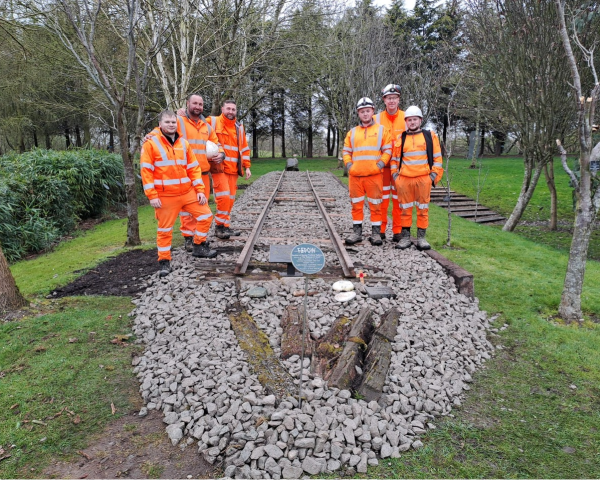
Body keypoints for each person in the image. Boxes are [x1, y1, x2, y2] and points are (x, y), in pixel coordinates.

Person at [140, 110, 217, 278]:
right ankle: (164, 261)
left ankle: (198, 245)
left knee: (205, 216)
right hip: (165, 197)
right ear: (160, 124)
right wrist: (152, 196)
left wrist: (199, 191)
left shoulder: (184, 143)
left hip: (188, 193)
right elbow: (146, 171)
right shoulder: (150, 144)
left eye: (173, 122)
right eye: (167, 122)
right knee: (165, 230)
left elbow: (193, 168)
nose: (171, 125)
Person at [147, 94, 227, 250]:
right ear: (187, 104)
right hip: (184, 175)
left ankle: (199, 239)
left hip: (202, 174)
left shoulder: (207, 127)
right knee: (187, 211)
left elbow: (217, 144)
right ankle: (188, 238)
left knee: (201, 209)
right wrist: (151, 135)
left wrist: (221, 154)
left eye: (200, 104)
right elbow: (162, 128)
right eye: (194, 103)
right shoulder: (179, 121)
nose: (197, 107)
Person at [390, 106, 443, 251]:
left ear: (420, 120)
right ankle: (405, 238)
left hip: (423, 179)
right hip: (404, 180)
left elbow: (438, 158)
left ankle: (421, 238)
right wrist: (396, 177)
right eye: (409, 120)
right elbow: (394, 159)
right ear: (406, 121)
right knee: (405, 210)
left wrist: (432, 177)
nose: (412, 122)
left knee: (423, 209)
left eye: (414, 119)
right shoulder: (401, 138)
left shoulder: (429, 136)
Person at [342, 97, 393, 246]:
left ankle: (376, 234)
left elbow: (388, 150)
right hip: (355, 176)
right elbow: (346, 151)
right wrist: (349, 166)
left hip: (374, 175)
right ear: (358, 113)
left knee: (376, 205)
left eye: (367, 111)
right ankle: (356, 233)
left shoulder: (382, 130)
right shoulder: (352, 132)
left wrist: (380, 165)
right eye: (362, 111)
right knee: (356, 205)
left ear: (372, 111)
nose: (365, 114)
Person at [206, 100, 251, 238]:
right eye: (228, 109)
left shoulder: (239, 127)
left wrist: (247, 166)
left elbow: (243, 148)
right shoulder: (212, 122)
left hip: (233, 170)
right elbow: (192, 125)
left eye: (233, 109)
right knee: (224, 198)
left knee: (230, 200)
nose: (231, 111)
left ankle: (225, 226)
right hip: (219, 169)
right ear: (222, 109)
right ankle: (219, 227)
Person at [374, 84, 405, 241]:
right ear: (384, 100)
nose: (391, 101)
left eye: (394, 98)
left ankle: (398, 231)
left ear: (398, 99)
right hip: (382, 167)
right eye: (388, 98)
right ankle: (380, 229)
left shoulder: (407, 118)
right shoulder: (376, 119)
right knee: (382, 199)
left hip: (400, 169)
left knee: (399, 200)